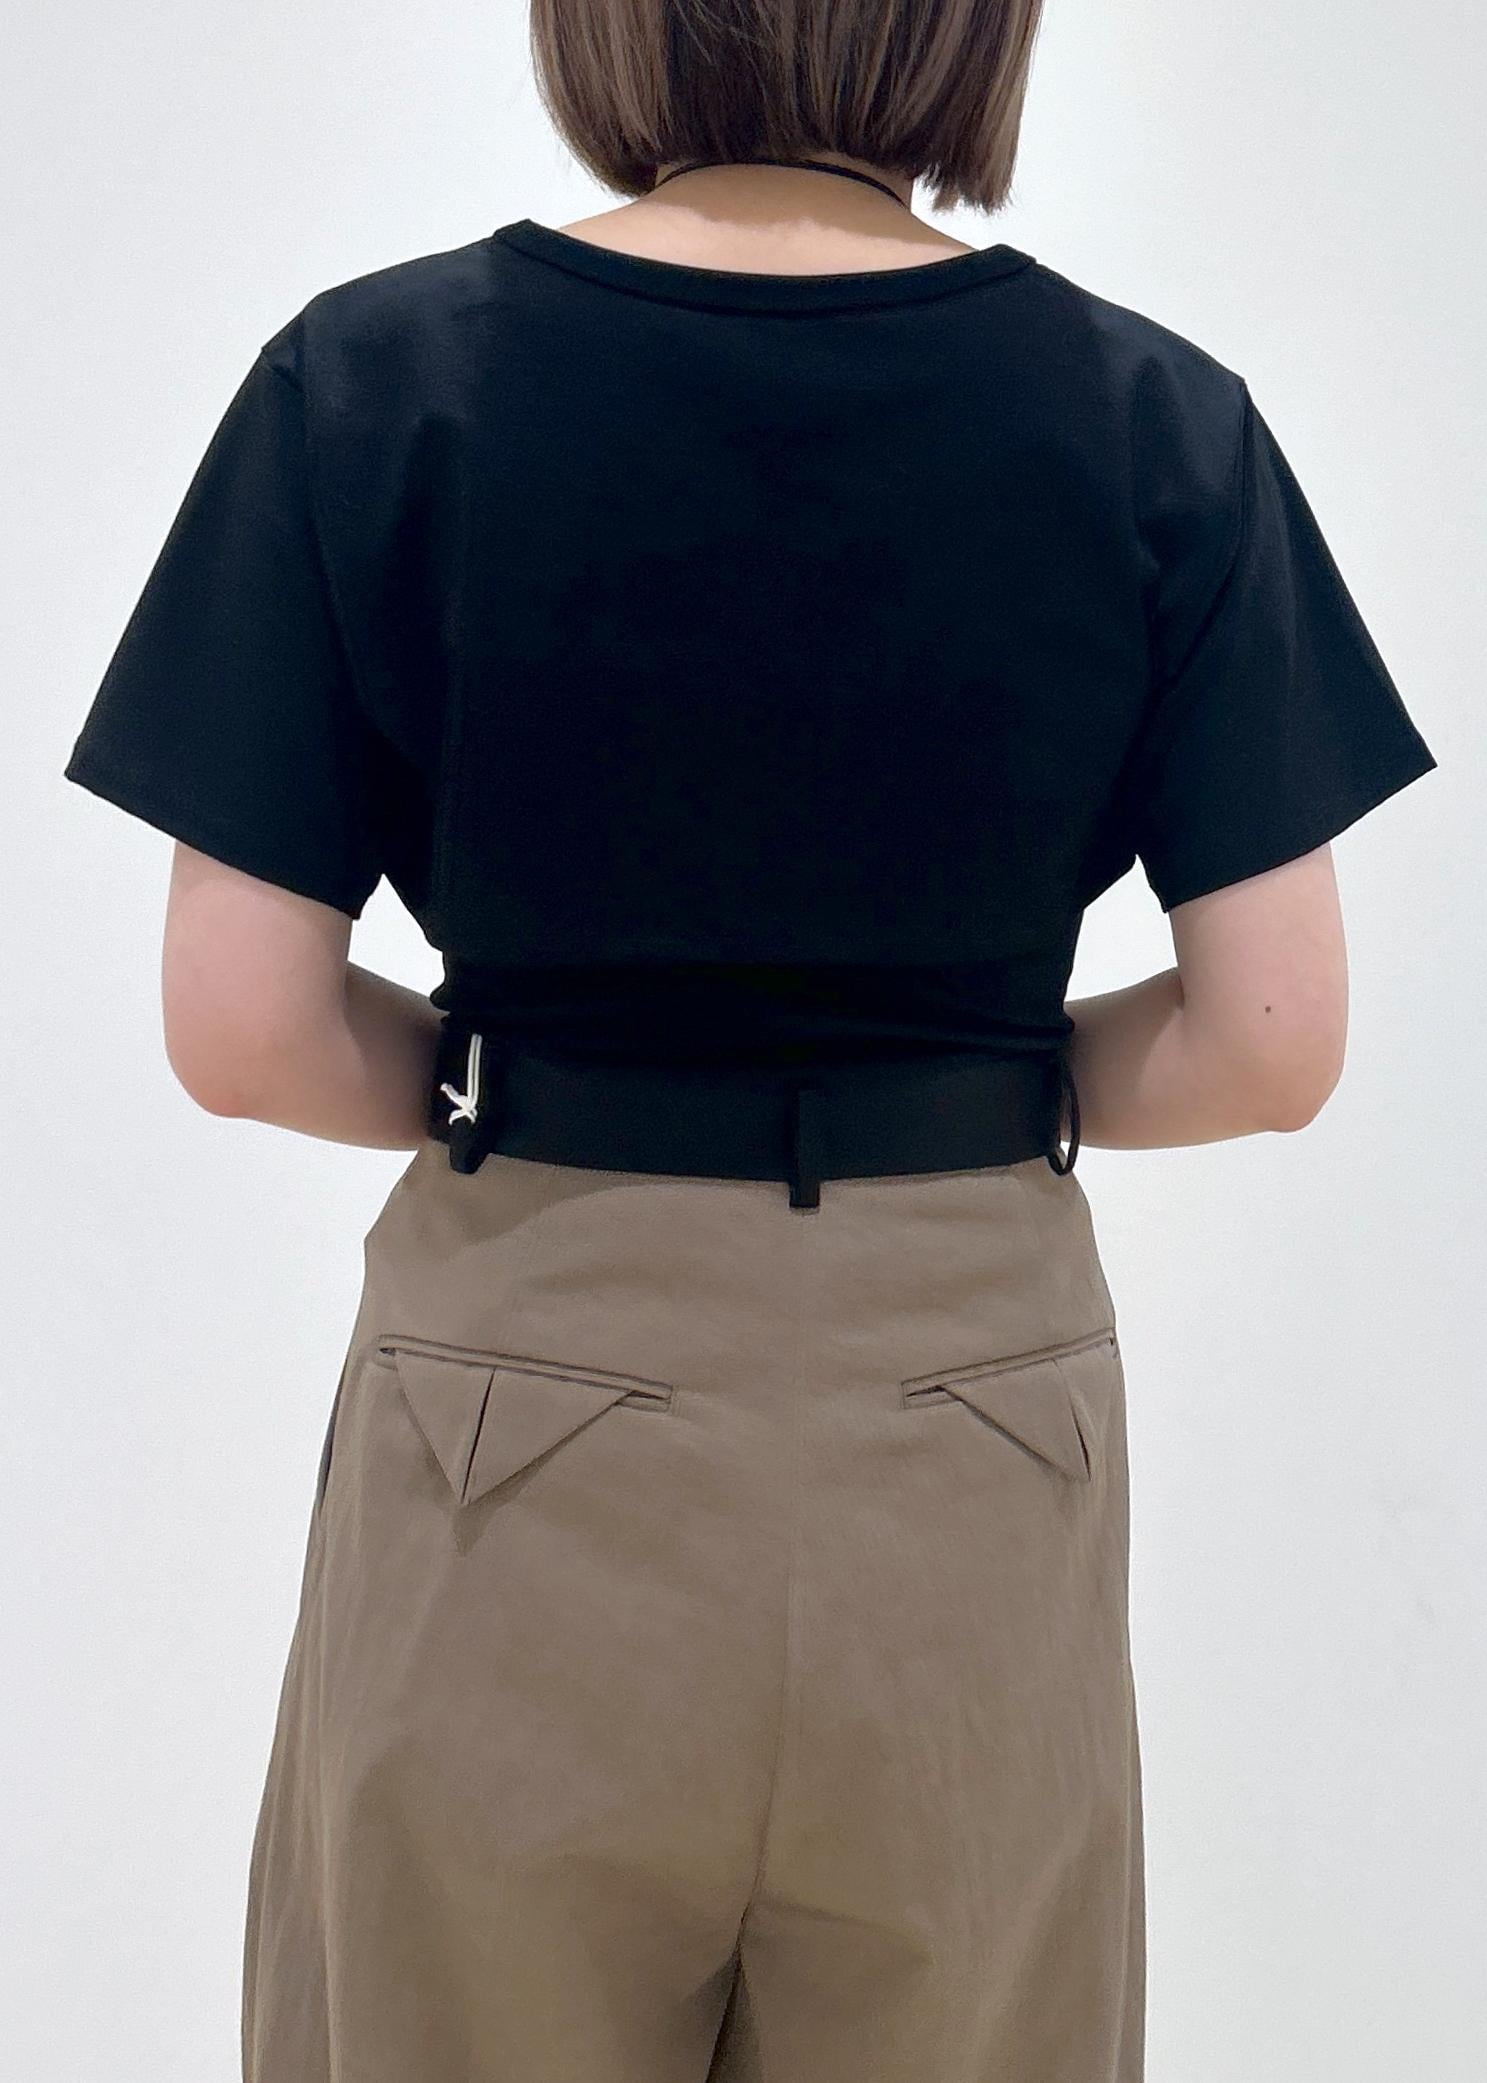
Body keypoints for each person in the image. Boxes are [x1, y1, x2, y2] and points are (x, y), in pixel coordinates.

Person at [61, 2, 1438, 2078]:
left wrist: (510, 1081)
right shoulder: (1156, 419)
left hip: (520, 1394)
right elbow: (1274, 1036)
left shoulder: (374, 381)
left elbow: (241, 1025)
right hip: (973, 1412)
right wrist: (984, 1083)